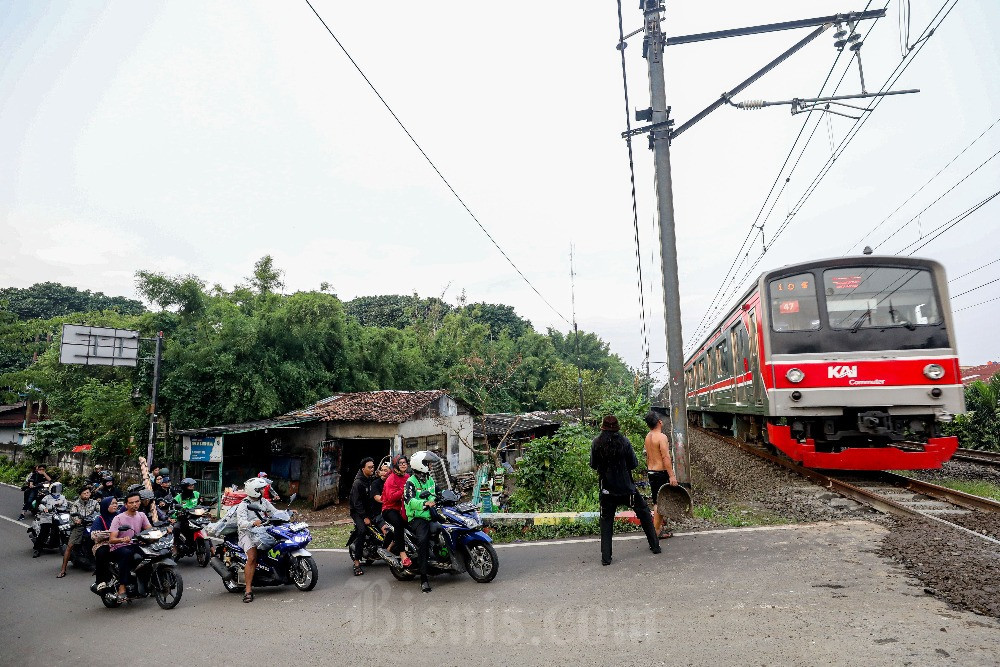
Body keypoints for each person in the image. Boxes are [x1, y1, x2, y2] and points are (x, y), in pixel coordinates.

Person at [590, 415, 660, 566]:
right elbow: (634, 464)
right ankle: (655, 546)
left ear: (603, 427)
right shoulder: (624, 442)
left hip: (607, 490)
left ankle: (606, 558)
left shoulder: (596, 443)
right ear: (617, 427)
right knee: (644, 513)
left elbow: (593, 465)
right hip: (627, 489)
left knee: (606, 522)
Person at [235, 477, 276, 603]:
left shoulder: (264, 501)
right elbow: (241, 523)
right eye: (261, 489)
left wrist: (287, 513)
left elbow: (274, 512)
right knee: (252, 557)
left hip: (262, 530)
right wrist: (253, 523)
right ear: (255, 490)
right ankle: (248, 590)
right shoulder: (243, 505)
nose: (264, 491)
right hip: (246, 533)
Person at [108, 491, 152, 601]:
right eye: (131, 503)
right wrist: (122, 539)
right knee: (126, 554)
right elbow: (112, 539)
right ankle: (122, 586)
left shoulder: (141, 515)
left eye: (137, 502)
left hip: (135, 544)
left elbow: (149, 529)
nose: (134, 504)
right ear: (126, 505)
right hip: (120, 546)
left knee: (151, 553)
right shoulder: (118, 518)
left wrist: (163, 529)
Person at [404, 450, 438, 593]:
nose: (430, 466)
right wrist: (425, 503)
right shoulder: (410, 482)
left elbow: (434, 493)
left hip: (430, 514)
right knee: (423, 541)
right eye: (427, 463)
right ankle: (424, 578)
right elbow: (410, 501)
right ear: (420, 464)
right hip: (417, 517)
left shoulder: (429, 478)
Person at [643, 411, 679, 539]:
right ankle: (656, 532)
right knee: (660, 502)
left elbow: (648, 456)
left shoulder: (648, 436)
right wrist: (672, 476)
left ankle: (658, 528)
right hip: (660, 472)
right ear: (659, 422)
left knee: (656, 501)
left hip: (651, 472)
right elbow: (666, 458)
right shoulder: (661, 437)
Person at [58, 485, 99, 577]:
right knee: (70, 546)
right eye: (84, 493)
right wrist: (77, 520)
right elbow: (73, 515)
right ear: (80, 494)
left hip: (93, 525)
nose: (86, 494)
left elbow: (100, 511)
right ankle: (63, 569)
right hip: (80, 526)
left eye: (88, 493)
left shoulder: (94, 502)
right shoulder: (76, 504)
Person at [381, 455, 412, 567]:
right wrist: (404, 491)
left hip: (404, 508)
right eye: (400, 463)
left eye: (405, 462)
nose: (403, 464)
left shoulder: (408, 476)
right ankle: (402, 553)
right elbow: (390, 498)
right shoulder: (391, 479)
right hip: (390, 509)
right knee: (399, 524)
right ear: (395, 465)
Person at [348, 458, 377, 576]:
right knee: (362, 531)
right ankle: (356, 563)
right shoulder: (358, 483)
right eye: (369, 467)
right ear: (363, 469)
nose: (372, 469)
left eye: (373, 466)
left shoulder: (371, 479)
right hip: (358, 512)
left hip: (369, 510)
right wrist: (364, 517)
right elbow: (357, 503)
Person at [32, 481, 69, 557]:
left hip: (59, 516)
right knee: (44, 531)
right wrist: (44, 509)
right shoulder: (47, 497)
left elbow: (66, 505)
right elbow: (41, 505)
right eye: (56, 489)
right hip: (47, 517)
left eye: (59, 488)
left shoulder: (62, 497)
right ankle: (38, 549)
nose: (57, 490)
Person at [91, 497, 119, 592]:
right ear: (105, 506)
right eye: (112, 503)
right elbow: (94, 535)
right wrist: (110, 533)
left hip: (120, 541)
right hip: (104, 543)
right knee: (102, 552)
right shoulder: (99, 519)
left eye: (116, 503)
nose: (115, 505)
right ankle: (101, 581)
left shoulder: (120, 516)